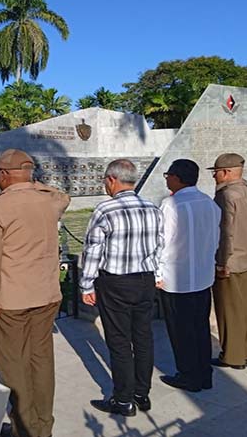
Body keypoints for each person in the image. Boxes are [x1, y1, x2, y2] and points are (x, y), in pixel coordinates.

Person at [0, 148, 70, 437]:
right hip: (47, 296)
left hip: (11, 301)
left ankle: (24, 430)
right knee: (42, 362)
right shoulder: (49, 203)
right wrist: (32, 182)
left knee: (15, 367)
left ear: (3, 175)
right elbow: (63, 196)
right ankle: (44, 426)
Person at [80, 159, 164, 417]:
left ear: (112, 180)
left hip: (116, 283)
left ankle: (124, 399)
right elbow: (160, 245)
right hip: (145, 280)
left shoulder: (106, 210)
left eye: (105, 180)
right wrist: (157, 275)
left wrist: (86, 285)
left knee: (118, 340)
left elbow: (93, 250)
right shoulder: (152, 208)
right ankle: (142, 393)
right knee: (143, 338)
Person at [157, 159, 222, 392]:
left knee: (181, 331)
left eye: (168, 175)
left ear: (177, 177)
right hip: (203, 276)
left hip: (177, 279)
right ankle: (204, 374)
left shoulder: (171, 205)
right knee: (200, 327)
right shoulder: (209, 204)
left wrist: (157, 273)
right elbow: (215, 239)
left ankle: (188, 375)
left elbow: (161, 243)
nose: (166, 179)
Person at [208, 153, 247, 370]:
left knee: (228, 310)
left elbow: (226, 233)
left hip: (231, 260)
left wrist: (222, 263)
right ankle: (245, 351)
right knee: (243, 309)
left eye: (216, 172)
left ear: (226, 172)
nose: (214, 176)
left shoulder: (226, 195)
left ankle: (232, 356)